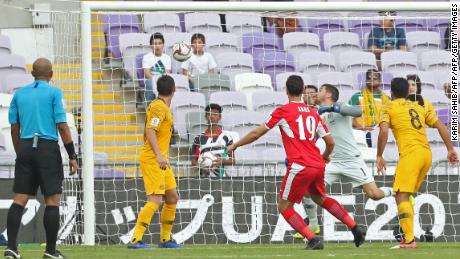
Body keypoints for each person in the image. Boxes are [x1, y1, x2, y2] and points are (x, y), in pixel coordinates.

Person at [227, 75, 365, 250]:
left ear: (286, 91)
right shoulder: (314, 113)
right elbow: (330, 142)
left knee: (284, 207)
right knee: (319, 198)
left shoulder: (283, 111)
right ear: (302, 91)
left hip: (300, 165)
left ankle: (312, 239)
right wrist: (325, 156)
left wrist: (236, 145)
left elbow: (256, 134)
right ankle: (354, 226)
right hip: (317, 164)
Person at [5, 58, 78, 259]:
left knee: (20, 198)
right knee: (52, 200)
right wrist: (72, 155)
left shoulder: (19, 94)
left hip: (26, 146)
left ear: (32, 74)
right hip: (47, 147)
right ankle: (50, 251)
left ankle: (12, 249)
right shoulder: (54, 93)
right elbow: (62, 126)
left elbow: (14, 128)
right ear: (51, 75)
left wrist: (21, 151)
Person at [376, 77, 458, 249]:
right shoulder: (419, 106)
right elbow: (441, 126)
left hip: (411, 154)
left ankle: (408, 239)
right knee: (406, 195)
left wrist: (379, 155)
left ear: (391, 92)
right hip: (426, 155)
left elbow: (383, 132)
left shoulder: (388, 107)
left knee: (401, 195)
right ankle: (408, 233)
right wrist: (450, 149)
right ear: (407, 92)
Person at [128, 75, 183, 249]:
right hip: (153, 159)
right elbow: (151, 130)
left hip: (161, 159)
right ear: (174, 89)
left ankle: (165, 239)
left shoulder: (161, 107)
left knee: (172, 197)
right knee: (156, 200)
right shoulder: (159, 107)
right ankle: (135, 239)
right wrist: (159, 155)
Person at [191, 103, 235, 177]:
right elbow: (193, 162)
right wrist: (201, 166)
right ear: (206, 116)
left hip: (221, 178)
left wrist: (221, 161)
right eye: (209, 114)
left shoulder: (227, 137)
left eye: (215, 114)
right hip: (203, 179)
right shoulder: (198, 139)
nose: (212, 116)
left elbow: (233, 161)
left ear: (219, 117)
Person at [349, 69, 390, 147]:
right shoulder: (357, 96)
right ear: (365, 80)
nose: (372, 80)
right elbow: (348, 117)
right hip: (362, 134)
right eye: (369, 78)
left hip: (381, 133)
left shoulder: (387, 99)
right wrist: (362, 128)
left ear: (380, 81)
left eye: (375, 78)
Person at [142, 32, 172, 105]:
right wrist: (157, 82)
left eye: (159, 43)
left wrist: (162, 82)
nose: (157, 46)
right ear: (151, 45)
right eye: (155, 43)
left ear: (163, 45)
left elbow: (167, 73)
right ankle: (148, 108)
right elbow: (147, 74)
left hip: (164, 81)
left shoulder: (167, 58)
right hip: (151, 81)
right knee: (149, 84)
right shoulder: (146, 57)